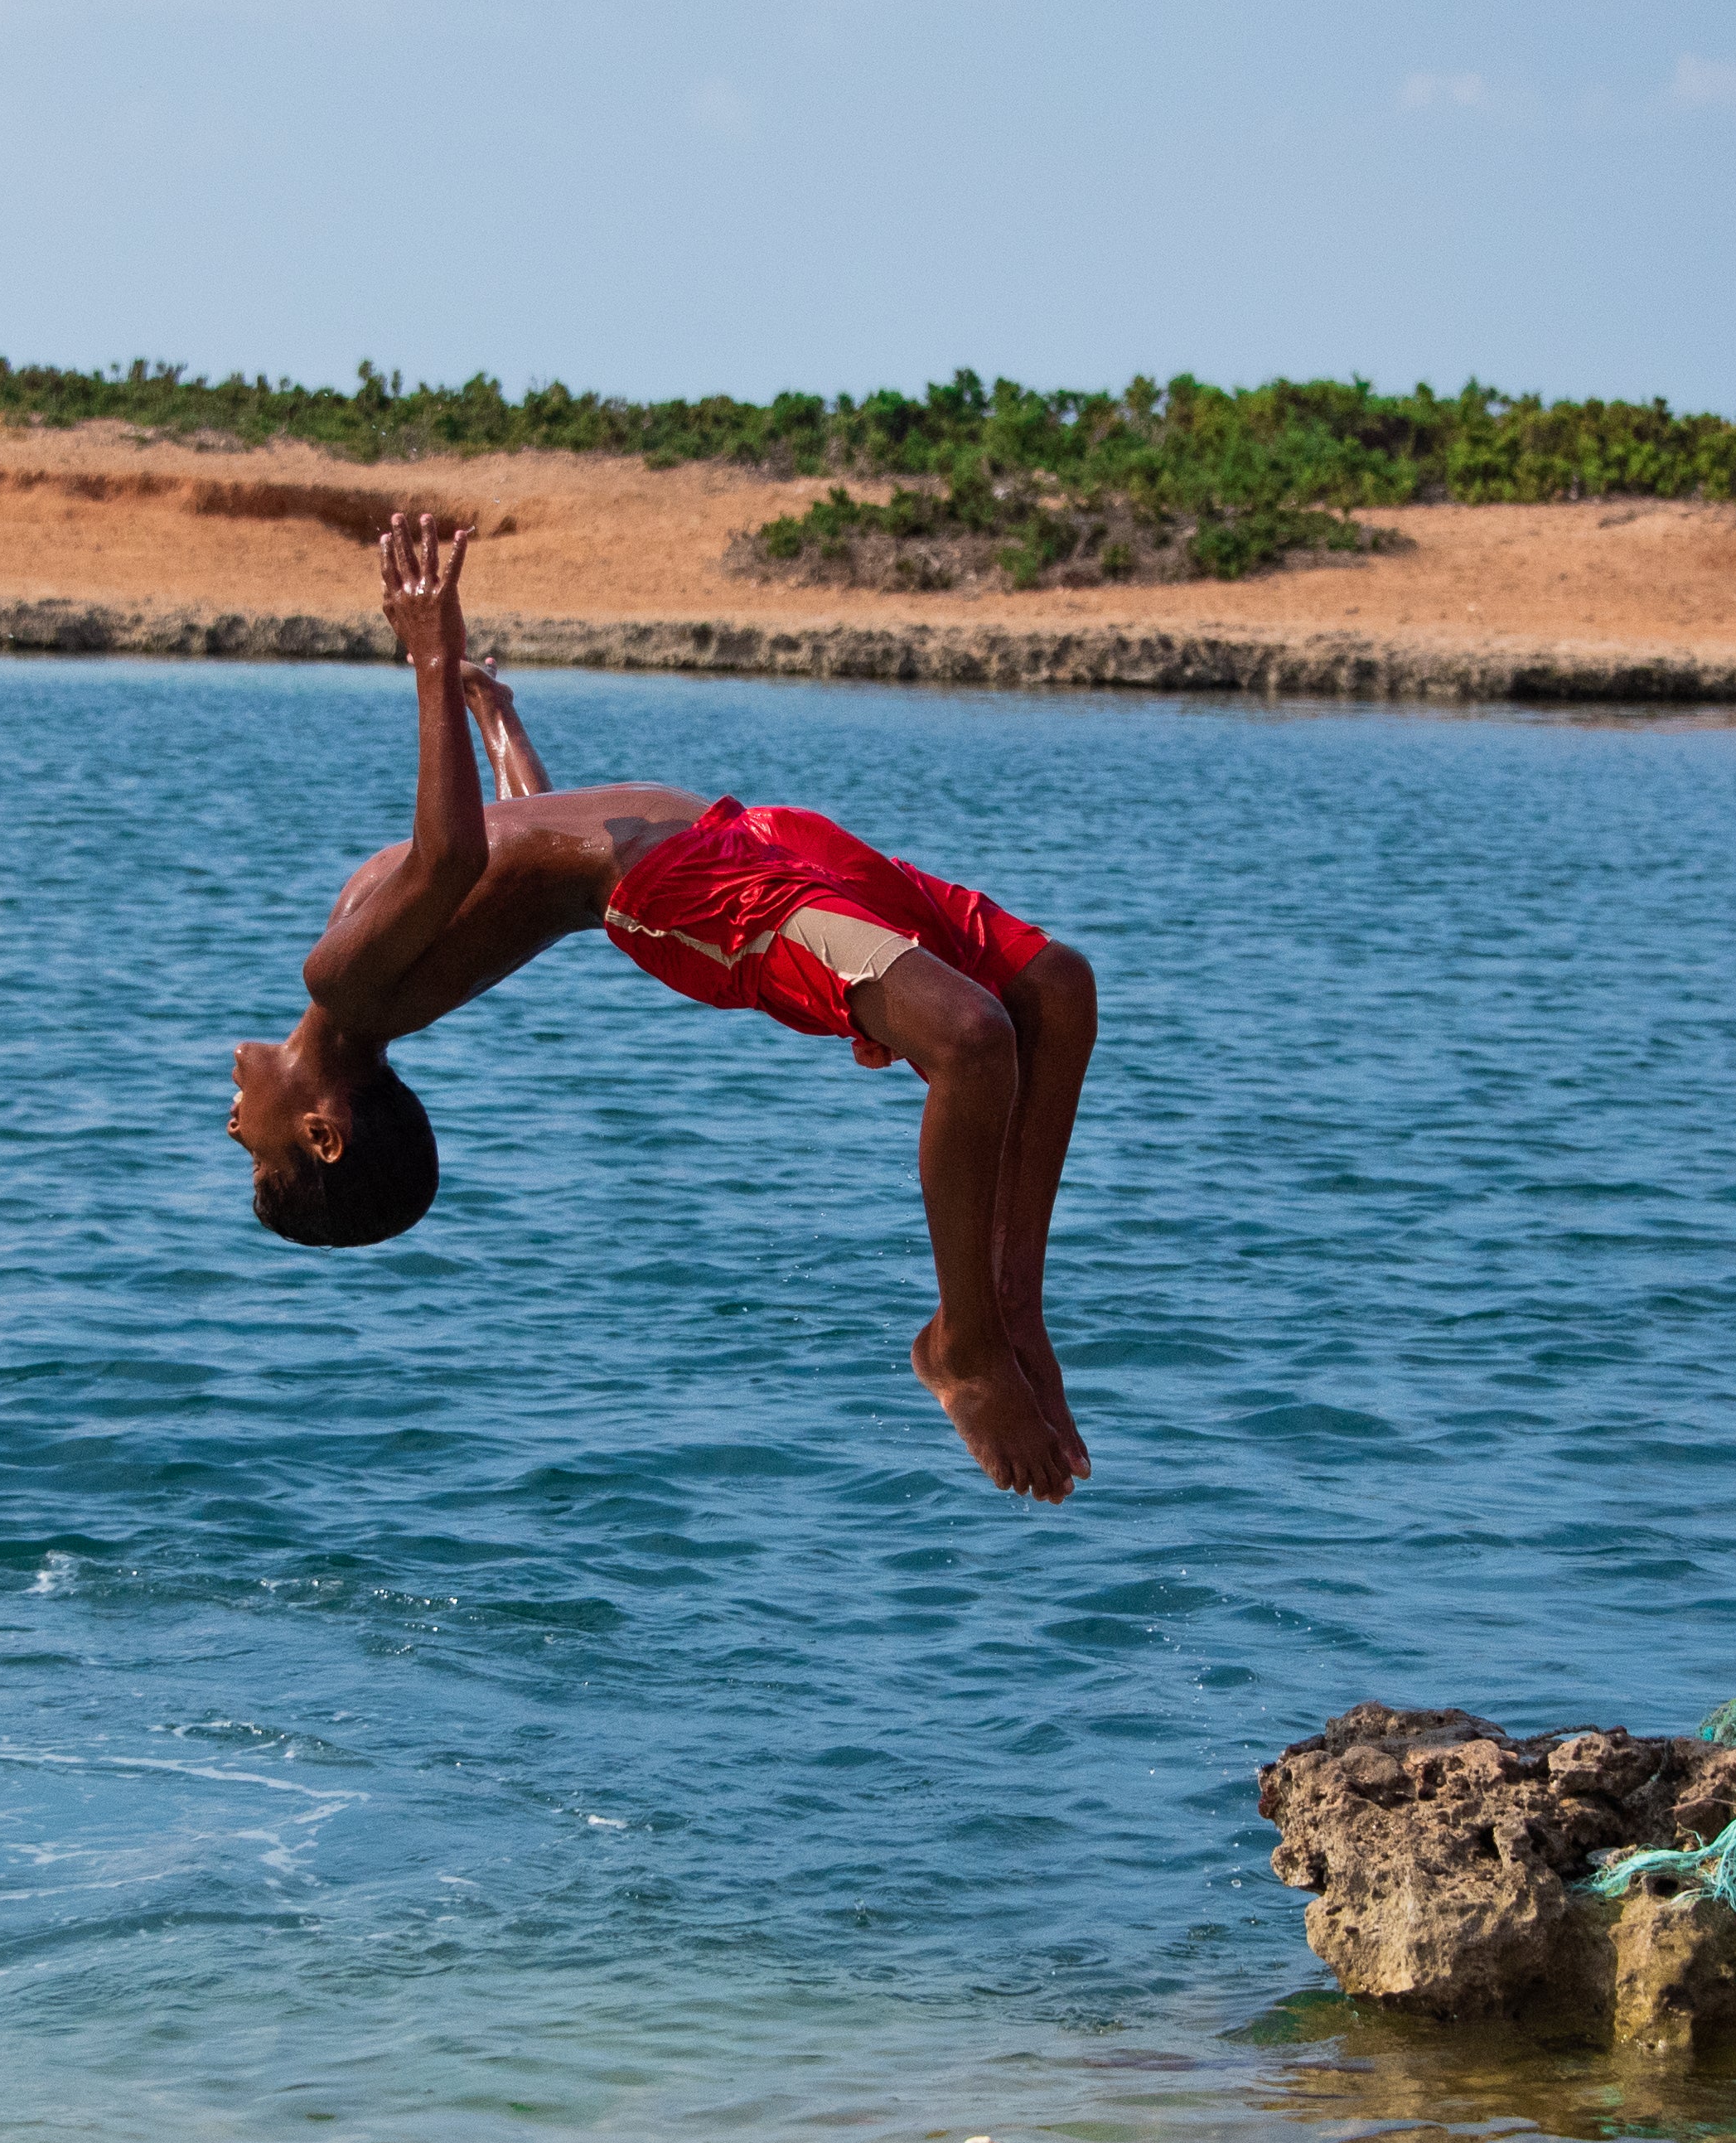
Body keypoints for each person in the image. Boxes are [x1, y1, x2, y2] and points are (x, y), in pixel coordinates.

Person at [230, 515, 1100, 1501]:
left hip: (750, 841)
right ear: (324, 1131)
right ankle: (965, 1344)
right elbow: (453, 855)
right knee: (974, 1040)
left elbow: (523, 837)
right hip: (692, 893)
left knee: (1053, 990)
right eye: (254, 1150)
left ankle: (1015, 1306)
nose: (230, 1121)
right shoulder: (341, 983)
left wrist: (492, 713)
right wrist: (429, 659)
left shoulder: (377, 989)